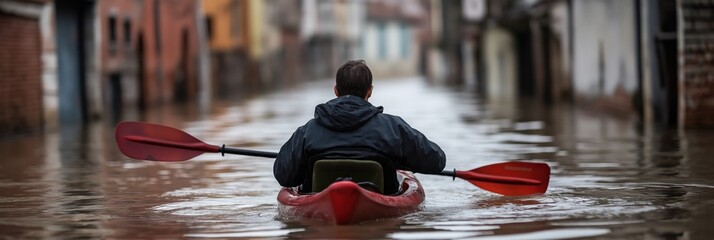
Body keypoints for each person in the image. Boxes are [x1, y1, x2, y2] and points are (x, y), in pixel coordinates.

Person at [273, 60, 446, 195]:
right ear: (369, 91)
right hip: (378, 202)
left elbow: (283, 175)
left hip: (321, 203)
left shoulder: (308, 131)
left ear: (336, 90)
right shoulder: (392, 128)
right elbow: (437, 161)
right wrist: (400, 157)